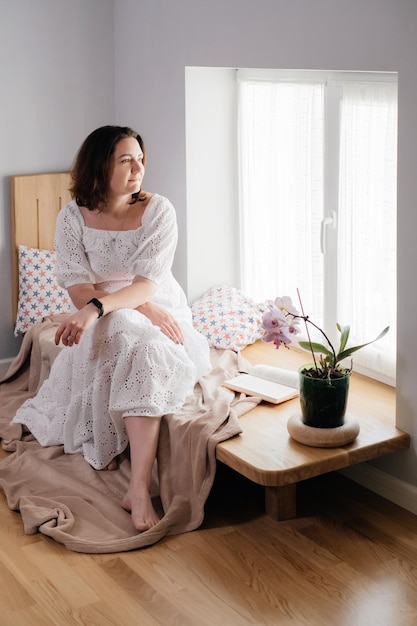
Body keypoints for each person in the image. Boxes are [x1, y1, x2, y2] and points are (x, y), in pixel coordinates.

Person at [12, 125, 211, 532]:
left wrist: (143, 308)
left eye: (140, 159)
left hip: (154, 303)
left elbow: (146, 283)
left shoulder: (159, 211)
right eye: (126, 160)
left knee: (150, 349)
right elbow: (78, 284)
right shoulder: (72, 216)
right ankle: (124, 467)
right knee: (120, 330)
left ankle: (137, 488)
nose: (138, 168)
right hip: (103, 306)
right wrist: (98, 308)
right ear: (101, 166)